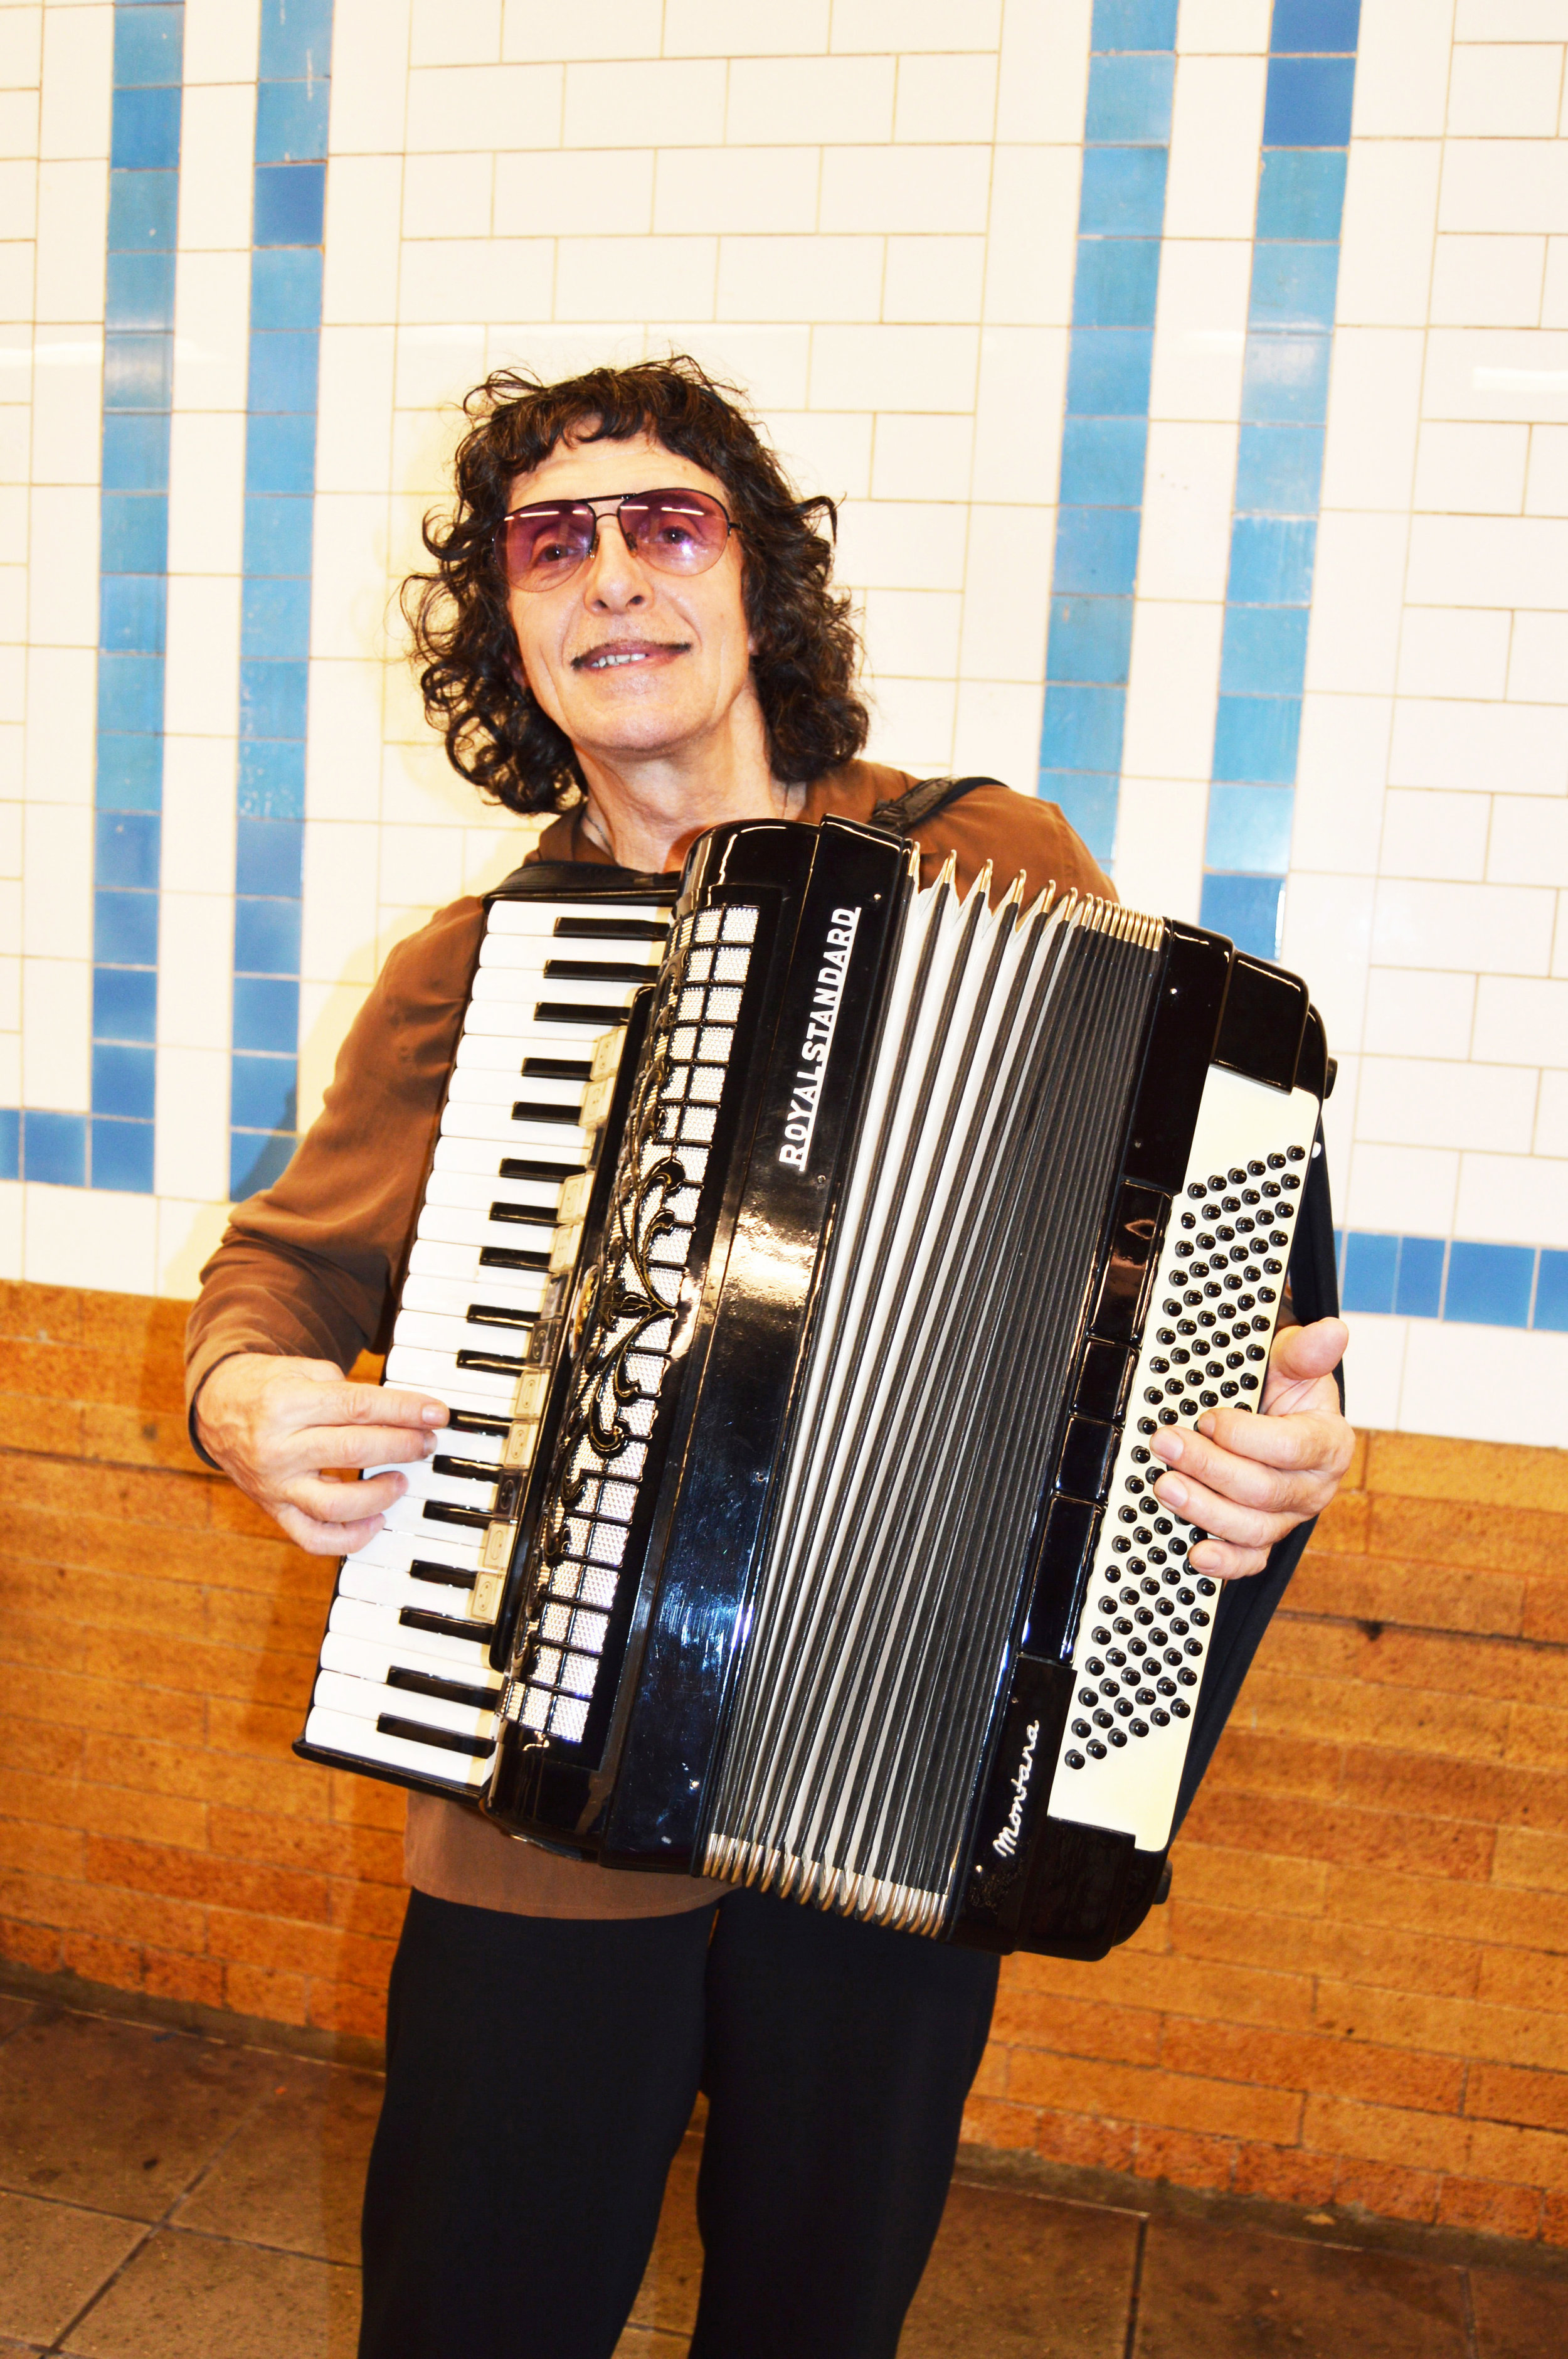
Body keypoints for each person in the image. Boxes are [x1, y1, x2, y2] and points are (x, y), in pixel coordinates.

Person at [186, 359, 1354, 2359]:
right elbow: (269, 1289)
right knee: (482, 2305)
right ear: (510, 628)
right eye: (553, 544)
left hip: (907, 1759)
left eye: (669, 524)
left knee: (820, 2310)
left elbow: (1198, 1298)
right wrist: (252, 1406)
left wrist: (1269, 1455)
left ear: (756, 589)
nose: (614, 576)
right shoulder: (472, 975)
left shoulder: (994, 857)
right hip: (539, 1791)